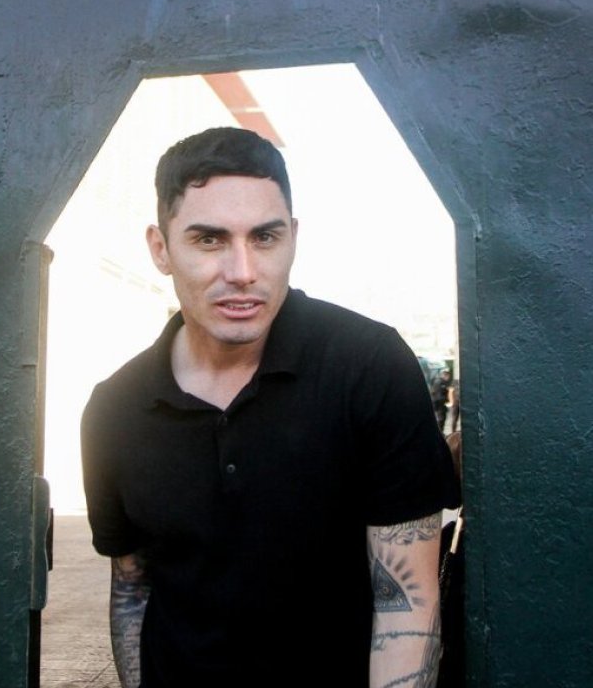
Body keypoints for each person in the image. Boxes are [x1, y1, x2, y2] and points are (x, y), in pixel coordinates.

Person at [81, 127, 461, 687]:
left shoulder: (369, 368)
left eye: (265, 237)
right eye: (209, 240)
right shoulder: (115, 410)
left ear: (293, 239)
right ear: (160, 249)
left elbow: (407, 604)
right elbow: (133, 588)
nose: (243, 271)